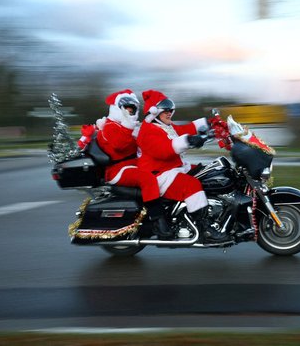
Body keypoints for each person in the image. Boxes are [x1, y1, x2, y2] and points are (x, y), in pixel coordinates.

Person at [136, 89, 228, 243]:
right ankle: (205, 228)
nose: (169, 113)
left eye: (170, 109)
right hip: (159, 175)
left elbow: (185, 129)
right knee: (192, 185)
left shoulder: (166, 127)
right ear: (154, 112)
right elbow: (164, 150)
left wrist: (210, 123)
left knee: (208, 170)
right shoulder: (147, 131)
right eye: (165, 110)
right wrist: (189, 141)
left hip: (174, 168)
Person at [95, 89, 173, 239]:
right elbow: (119, 145)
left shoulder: (128, 126)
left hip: (133, 164)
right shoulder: (109, 126)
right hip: (117, 169)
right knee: (147, 178)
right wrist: (128, 126)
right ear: (118, 109)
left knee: (162, 170)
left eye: (132, 110)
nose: (130, 112)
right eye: (127, 109)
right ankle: (158, 221)